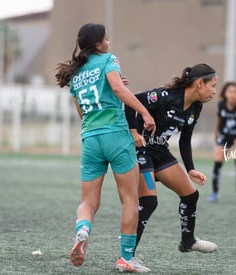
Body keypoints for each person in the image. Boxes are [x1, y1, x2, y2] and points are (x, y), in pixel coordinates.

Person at [55, 23, 155, 273]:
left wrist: (109, 88)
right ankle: (125, 258)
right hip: (116, 136)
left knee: (88, 201)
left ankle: (83, 229)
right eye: (107, 39)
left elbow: (82, 112)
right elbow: (119, 88)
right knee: (130, 199)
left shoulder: (76, 73)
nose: (109, 43)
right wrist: (144, 112)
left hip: (90, 138)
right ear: (99, 44)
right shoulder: (110, 59)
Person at [125, 63, 219, 261]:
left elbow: (185, 140)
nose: (215, 91)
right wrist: (133, 132)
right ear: (200, 83)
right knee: (149, 201)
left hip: (160, 152)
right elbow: (129, 102)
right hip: (140, 151)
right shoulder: (165, 96)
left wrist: (190, 169)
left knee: (191, 195)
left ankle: (188, 242)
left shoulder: (196, 106)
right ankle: (127, 256)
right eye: (213, 85)